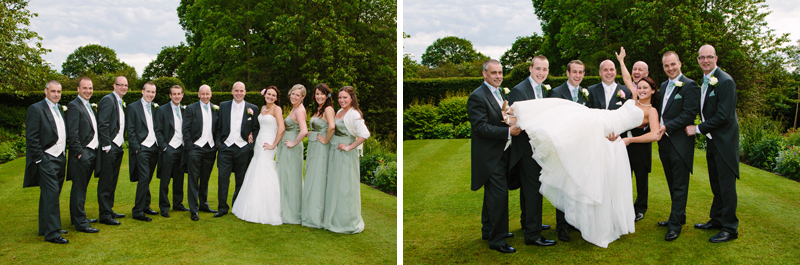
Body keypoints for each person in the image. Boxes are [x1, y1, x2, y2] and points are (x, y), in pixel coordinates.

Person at [505, 48, 662, 248]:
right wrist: (622, 61)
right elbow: (627, 78)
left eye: (645, 88)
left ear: (653, 91)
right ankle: (517, 115)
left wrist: (629, 140)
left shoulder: (652, 111)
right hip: (602, 118)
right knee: (567, 110)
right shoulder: (632, 97)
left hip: (609, 130)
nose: (640, 90)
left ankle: (524, 119)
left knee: (571, 117)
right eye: (639, 87)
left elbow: (654, 135)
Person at [685, 44, 740, 243]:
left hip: (725, 142)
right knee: (716, 184)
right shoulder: (707, 80)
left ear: (716, 58)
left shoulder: (725, 81)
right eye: (702, 58)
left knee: (726, 186)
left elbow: (724, 116)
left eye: (709, 57)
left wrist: (698, 129)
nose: (705, 61)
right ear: (698, 60)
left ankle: (730, 228)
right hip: (713, 141)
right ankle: (716, 220)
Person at [466, 59, 521, 253]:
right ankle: (497, 240)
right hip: (490, 156)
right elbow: (480, 128)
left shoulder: (501, 92)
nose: (498, 76)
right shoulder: (477, 96)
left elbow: (503, 116)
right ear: (484, 74)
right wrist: (508, 133)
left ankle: (488, 230)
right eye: (494, 73)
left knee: (493, 194)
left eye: (500, 72)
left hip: (503, 151)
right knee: (499, 196)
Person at [507, 55, 556, 247]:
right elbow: (518, 120)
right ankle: (533, 235)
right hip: (526, 149)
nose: (541, 73)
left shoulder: (543, 90)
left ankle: (528, 223)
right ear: (530, 68)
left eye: (545, 69)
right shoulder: (519, 91)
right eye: (538, 69)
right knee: (534, 190)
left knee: (530, 190)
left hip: (538, 148)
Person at [655, 51, 700, 241]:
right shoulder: (664, 85)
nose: (670, 68)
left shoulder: (690, 86)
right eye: (666, 66)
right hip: (664, 143)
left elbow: (688, 114)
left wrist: (666, 127)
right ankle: (678, 216)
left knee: (680, 184)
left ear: (679, 63)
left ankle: (674, 226)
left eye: (673, 64)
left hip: (680, 142)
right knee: (672, 182)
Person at [546, 59, 589, 242]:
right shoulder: (555, 93)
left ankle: (573, 221)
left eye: (581, 72)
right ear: (567, 73)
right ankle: (561, 226)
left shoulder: (586, 94)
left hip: (580, 148)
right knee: (563, 186)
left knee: (577, 185)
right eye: (574, 72)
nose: (577, 75)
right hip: (562, 147)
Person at [232, 86, 285, 225]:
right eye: (269, 94)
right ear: (264, 95)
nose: (271, 97)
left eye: (274, 95)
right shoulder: (261, 109)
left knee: (265, 169)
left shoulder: (277, 109)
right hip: (260, 141)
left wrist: (274, 144)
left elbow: (281, 128)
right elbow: (258, 126)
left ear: (276, 98)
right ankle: (251, 205)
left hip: (269, 143)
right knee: (256, 169)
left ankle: (267, 208)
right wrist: (251, 134)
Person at [25, 80, 69, 244]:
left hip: (60, 157)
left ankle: (45, 227)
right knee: (51, 196)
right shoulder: (36, 109)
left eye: (59, 91)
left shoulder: (59, 109)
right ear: (46, 91)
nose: (56, 94)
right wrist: (40, 159)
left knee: (50, 195)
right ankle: (53, 233)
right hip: (46, 158)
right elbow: (32, 137)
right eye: (53, 91)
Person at [323, 86, 370, 234]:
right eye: (340, 98)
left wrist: (350, 147)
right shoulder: (339, 112)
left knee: (345, 187)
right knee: (335, 184)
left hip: (346, 155)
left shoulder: (354, 114)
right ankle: (333, 218)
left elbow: (365, 134)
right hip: (335, 152)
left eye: (345, 97)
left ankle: (346, 221)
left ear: (352, 98)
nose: (342, 100)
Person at [214, 81, 259, 218]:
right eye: (236, 91)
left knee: (241, 180)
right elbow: (218, 127)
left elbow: (256, 128)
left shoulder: (253, 108)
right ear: (232, 91)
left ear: (245, 92)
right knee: (223, 178)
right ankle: (222, 208)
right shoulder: (223, 106)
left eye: (241, 91)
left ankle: (237, 206)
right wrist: (219, 144)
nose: (239, 93)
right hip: (225, 147)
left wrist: (250, 145)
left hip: (243, 149)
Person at [66, 77, 100, 233]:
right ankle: (81, 223)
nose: (88, 91)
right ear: (78, 89)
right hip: (83, 154)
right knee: (79, 189)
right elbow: (72, 134)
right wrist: (80, 153)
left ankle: (78, 217)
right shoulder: (74, 106)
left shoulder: (88, 106)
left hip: (91, 152)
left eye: (90, 88)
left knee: (82, 188)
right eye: (85, 88)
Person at [183, 85, 220, 221]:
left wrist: (217, 145)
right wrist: (190, 147)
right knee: (193, 179)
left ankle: (203, 204)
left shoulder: (216, 109)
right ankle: (194, 209)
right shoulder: (191, 109)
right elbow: (185, 130)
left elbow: (219, 128)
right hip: (196, 148)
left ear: (211, 94)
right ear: (198, 94)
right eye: (202, 94)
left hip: (210, 149)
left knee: (205, 179)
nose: (205, 96)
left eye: (207, 94)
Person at [301, 83, 335, 229]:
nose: (319, 96)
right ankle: (309, 212)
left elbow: (332, 126)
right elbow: (320, 126)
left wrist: (326, 140)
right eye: (316, 94)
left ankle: (317, 216)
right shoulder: (318, 109)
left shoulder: (328, 109)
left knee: (318, 179)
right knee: (311, 177)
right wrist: (311, 133)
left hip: (321, 148)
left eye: (322, 94)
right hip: (314, 146)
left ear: (327, 95)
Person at [96, 76, 129, 225]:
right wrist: (106, 145)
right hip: (109, 148)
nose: (123, 87)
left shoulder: (119, 102)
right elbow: (102, 124)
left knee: (112, 181)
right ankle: (104, 215)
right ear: (114, 86)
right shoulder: (108, 100)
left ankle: (109, 209)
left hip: (117, 146)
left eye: (125, 85)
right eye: (120, 85)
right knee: (106, 181)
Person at [126, 82, 161, 221]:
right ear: (142, 91)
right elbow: (131, 129)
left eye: (153, 92)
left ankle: (146, 206)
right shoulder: (132, 107)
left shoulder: (155, 108)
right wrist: (137, 149)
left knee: (147, 178)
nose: (150, 94)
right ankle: (138, 211)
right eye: (148, 91)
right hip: (142, 148)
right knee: (144, 177)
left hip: (154, 148)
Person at [154, 85, 190, 217]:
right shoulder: (162, 110)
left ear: (182, 95)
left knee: (179, 178)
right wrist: (164, 147)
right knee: (165, 180)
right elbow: (157, 130)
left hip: (181, 149)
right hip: (168, 149)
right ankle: (164, 206)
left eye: (179, 94)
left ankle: (178, 203)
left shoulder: (185, 110)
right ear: (170, 95)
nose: (177, 96)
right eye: (174, 94)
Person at [624, 58, 652, 222]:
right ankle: (625, 207)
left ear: (646, 73)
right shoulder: (626, 91)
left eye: (640, 69)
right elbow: (627, 78)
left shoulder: (651, 92)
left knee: (641, 176)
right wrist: (621, 61)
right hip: (624, 141)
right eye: (634, 68)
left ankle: (641, 207)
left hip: (641, 142)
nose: (636, 72)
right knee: (624, 175)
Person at [277, 84, 309, 224]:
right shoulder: (294, 108)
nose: (294, 97)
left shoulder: (300, 111)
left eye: (298, 95)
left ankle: (291, 212)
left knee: (290, 178)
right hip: (287, 148)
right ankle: (283, 208)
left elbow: (304, 131)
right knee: (285, 177)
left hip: (292, 149)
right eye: (293, 94)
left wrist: (293, 143)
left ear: (302, 97)